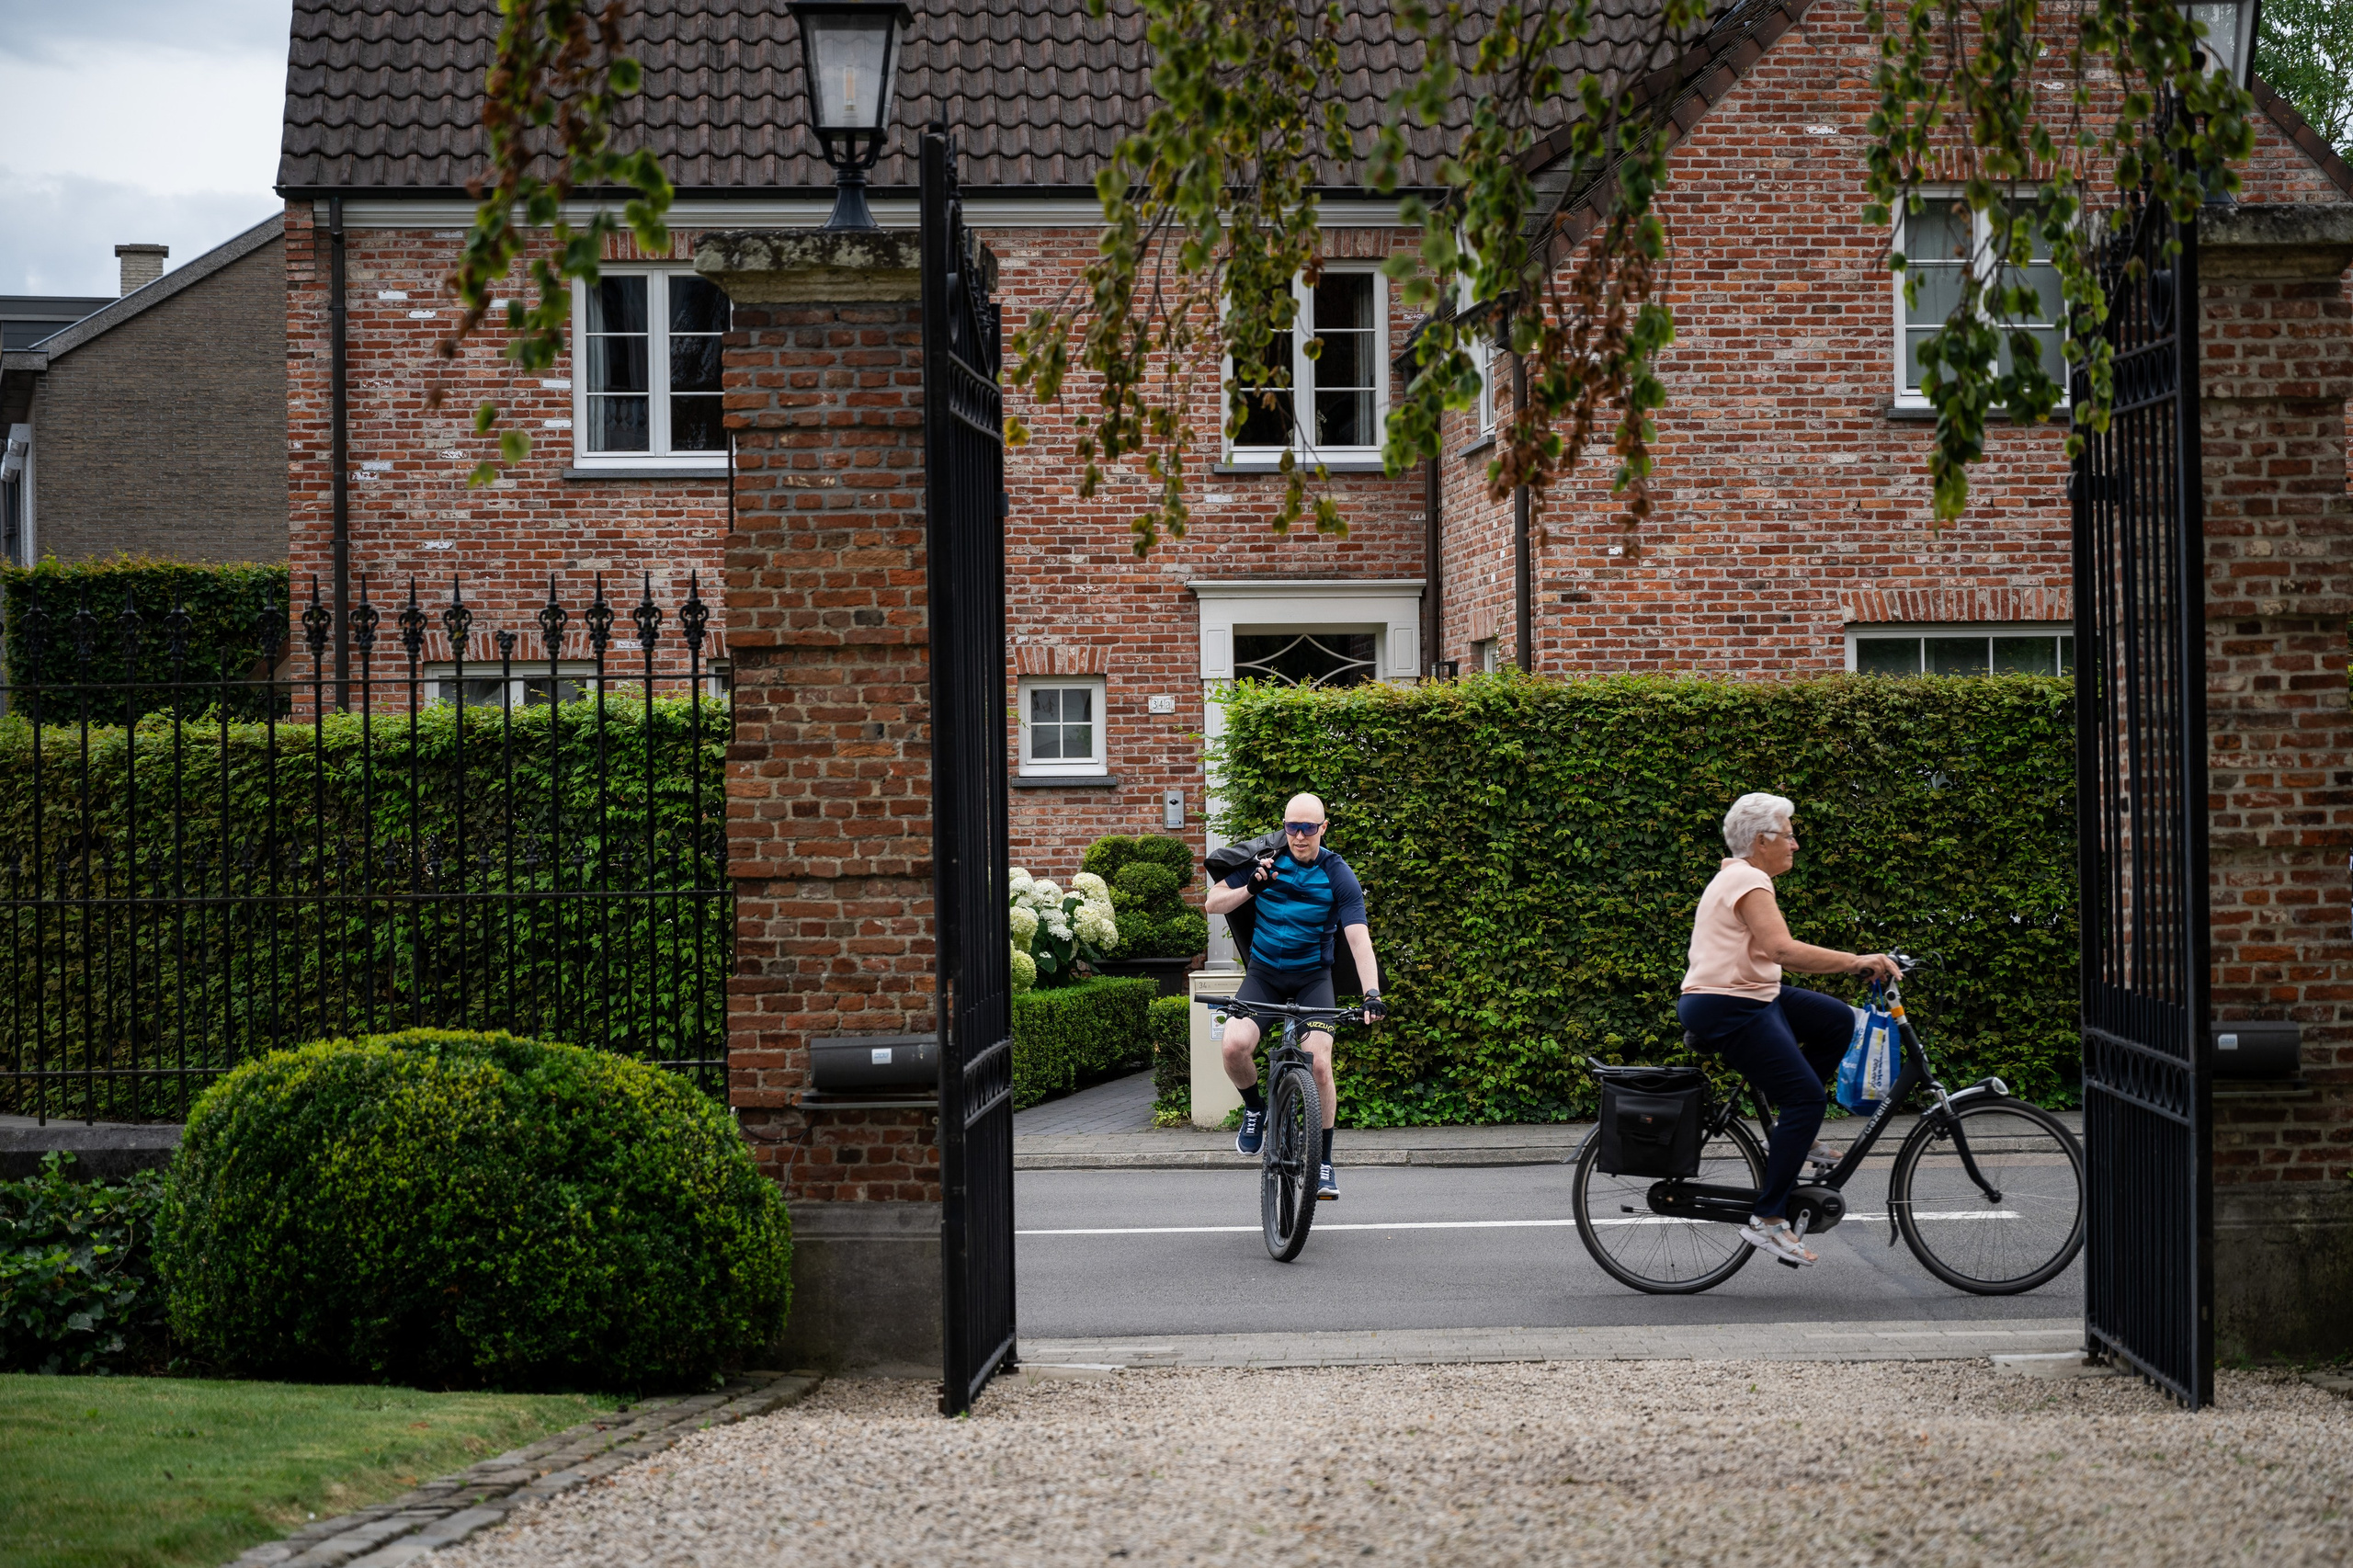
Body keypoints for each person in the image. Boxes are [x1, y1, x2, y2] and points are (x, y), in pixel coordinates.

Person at [1677, 792, 1900, 1266]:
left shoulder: (1743, 877)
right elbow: (1782, 950)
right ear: (1762, 841)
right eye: (1789, 834)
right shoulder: (1748, 880)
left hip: (1751, 993)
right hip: (1726, 1004)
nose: (1795, 844)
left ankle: (1790, 1136)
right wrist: (1858, 961)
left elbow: (1770, 958)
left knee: (1837, 1020)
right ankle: (1769, 1217)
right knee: (1805, 1097)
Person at [1203, 792, 1385, 1201]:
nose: (1299, 836)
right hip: (1264, 975)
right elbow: (1212, 902)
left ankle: (1323, 1161)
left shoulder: (1338, 873)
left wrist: (1372, 992)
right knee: (1233, 1046)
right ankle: (1255, 1110)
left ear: (1323, 828)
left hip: (1313, 980)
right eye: (1292, 827)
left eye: (1308, 828)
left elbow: (1358, 938)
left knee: (1320, 1063)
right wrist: (1251, 886)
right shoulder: (1265, 859)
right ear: (1284, 827)